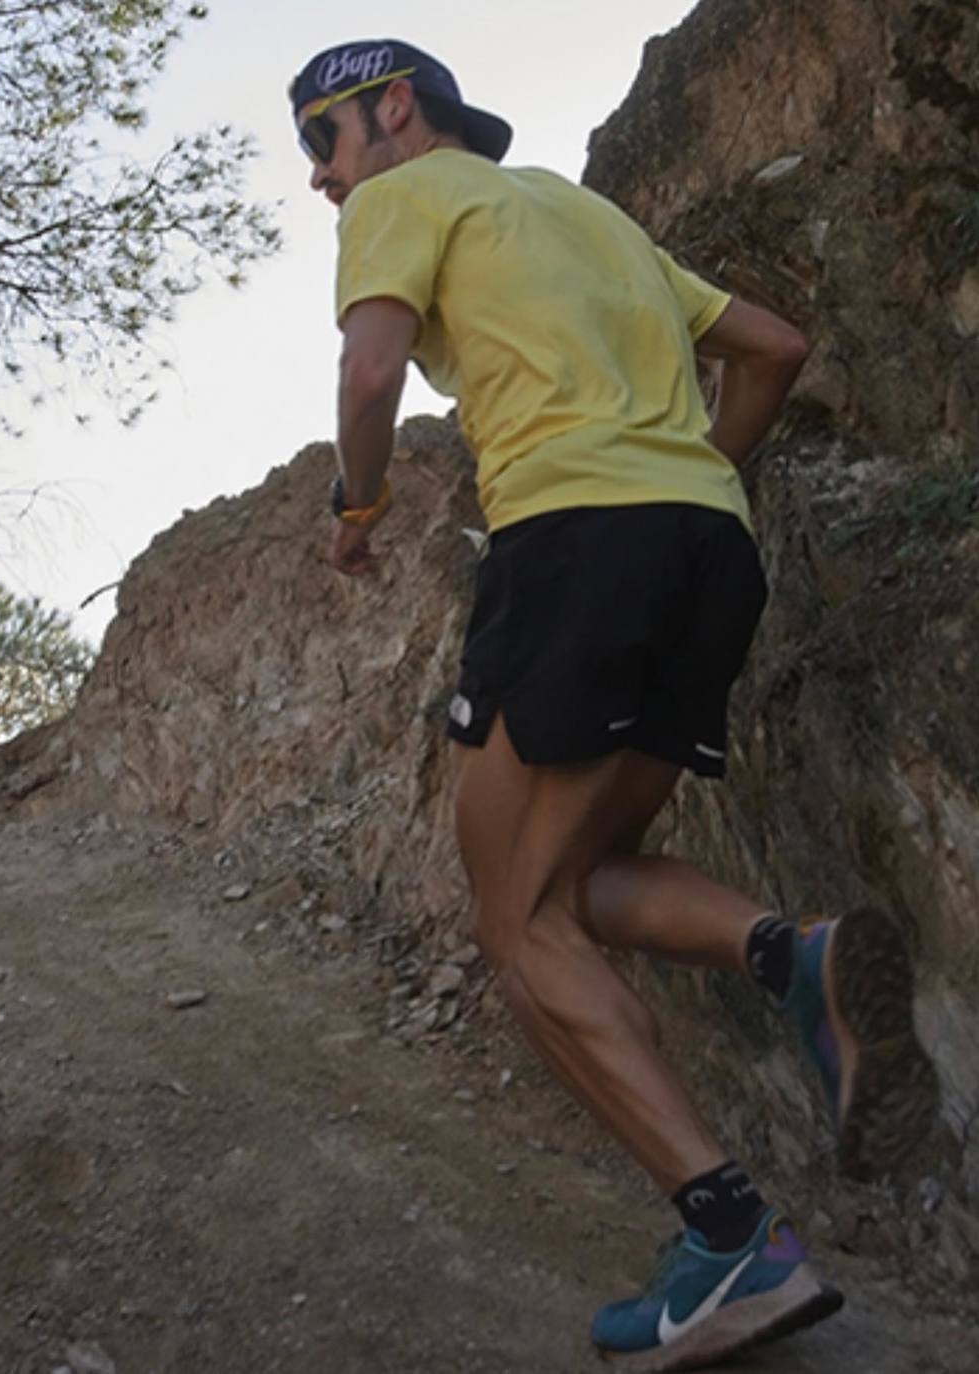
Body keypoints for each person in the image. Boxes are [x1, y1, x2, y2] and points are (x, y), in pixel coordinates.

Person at [289, 39, 939, 1373]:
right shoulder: (585, 215)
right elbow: (773, 347)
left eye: (322, 140)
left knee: (512, 918)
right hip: (708, 551)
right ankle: (794, 957)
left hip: (573, 547)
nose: (320, 179)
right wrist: (685, 482)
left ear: (392, 107)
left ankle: (732, 1237)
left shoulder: (404, 196)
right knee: (577, 882)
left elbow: (368, 376)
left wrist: (358, 505)